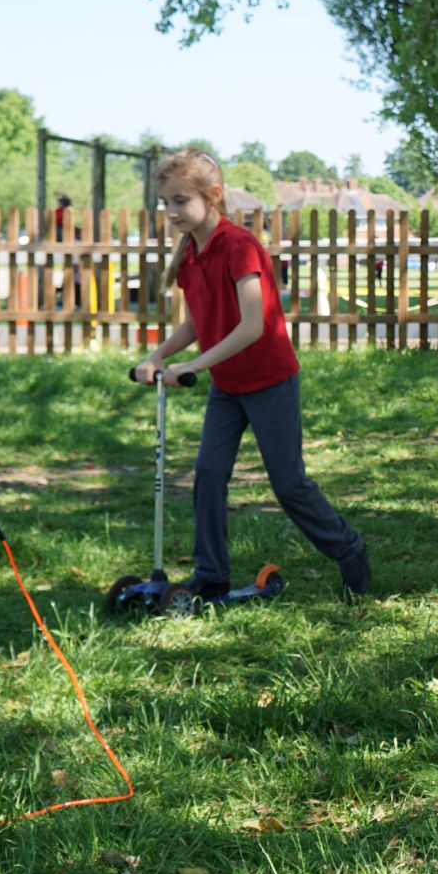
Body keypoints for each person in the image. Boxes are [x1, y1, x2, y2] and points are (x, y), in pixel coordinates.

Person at [133, 149, 370, 602]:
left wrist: (194, 365)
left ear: (213, 196)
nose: (171, 212)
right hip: (227, 385)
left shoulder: (240, 247)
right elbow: (196, 323)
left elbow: (252, 324)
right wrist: (159, 356)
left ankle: (348, 549)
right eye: (165, 203)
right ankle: (211, 575)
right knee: (208, 472)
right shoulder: (190, 256)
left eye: (180, 200)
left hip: (269, 380)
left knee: (288, 483)